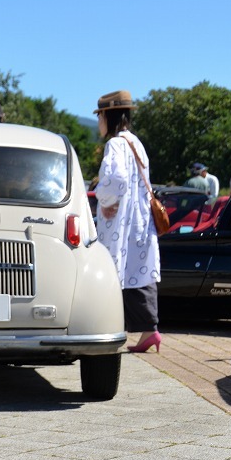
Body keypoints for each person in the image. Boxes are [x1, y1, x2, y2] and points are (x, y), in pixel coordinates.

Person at [93, 90, 161, 354]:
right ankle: (149, 330)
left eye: (99, 116)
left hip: (122, 222)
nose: (99, 122)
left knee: (116, 270)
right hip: (140, 220)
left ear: (108, 116)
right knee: (138, 270)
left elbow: (115, 180)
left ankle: (110, 327)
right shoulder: (135, 142)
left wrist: (107, 201)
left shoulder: (115, 144)